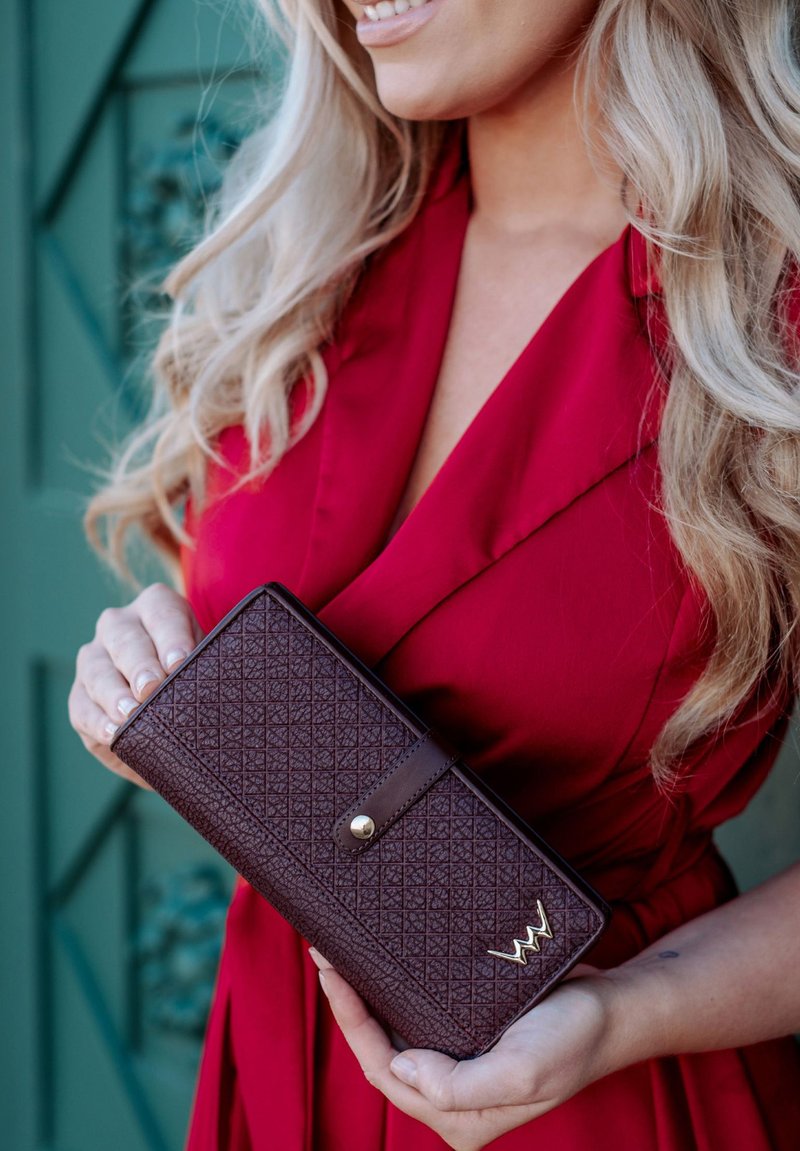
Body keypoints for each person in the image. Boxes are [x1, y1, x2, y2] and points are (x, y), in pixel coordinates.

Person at [68, 0, 800, 1148]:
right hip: (275, 1066)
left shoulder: (766, 324)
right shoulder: (307, 264)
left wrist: (620, 1013)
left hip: (596, 1092)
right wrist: (163, 718)